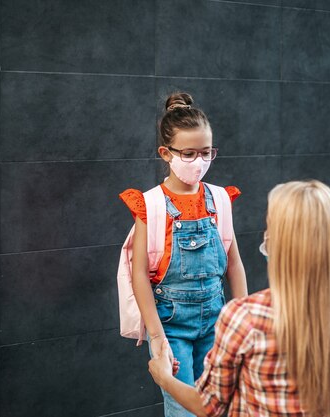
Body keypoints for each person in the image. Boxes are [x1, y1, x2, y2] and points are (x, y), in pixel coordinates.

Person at [148, 180, 330, 417]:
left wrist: (164, 377)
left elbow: (208, 405)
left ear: (282, 244)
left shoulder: (246, 318)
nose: (265, 235)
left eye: (270, 227)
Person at [119, 92, 248, 417]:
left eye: (206, 153)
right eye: (188, 154)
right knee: (183, 409)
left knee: (220, 404)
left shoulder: (220, 199)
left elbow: (233, 262)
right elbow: (139, 277)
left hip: (217, 322)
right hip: (171, 327)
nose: (199, 161)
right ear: (166, 153)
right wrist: (157, 337)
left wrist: (243, 319)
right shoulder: (149, 205)